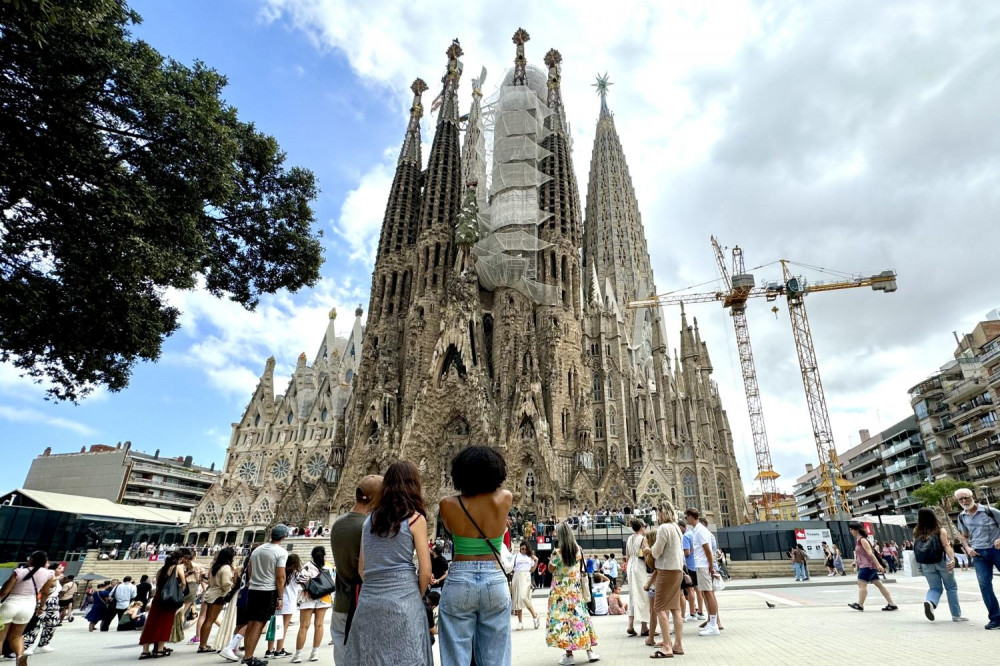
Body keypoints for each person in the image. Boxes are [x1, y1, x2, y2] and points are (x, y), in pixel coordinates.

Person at [343, 460, 433, 665]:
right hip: (403, 600)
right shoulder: (414, 519)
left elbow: (362, 569)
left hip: (369, 603)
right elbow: (426, 571)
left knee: (369, 657)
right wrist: (412, 594)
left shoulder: (369, 520)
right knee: (406, 656)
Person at [437, 446, 513, 666]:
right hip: (494, 579)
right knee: (495, 657)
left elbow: (450, 531)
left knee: (455, 656)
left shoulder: (448, 504)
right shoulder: (504, 499)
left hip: (460, 578)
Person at [329, 474, 383, 665]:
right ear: (377, 498)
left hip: (340, 604)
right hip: (360, 606)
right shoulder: (367, 528)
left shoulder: (338, 524)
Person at [546, 522, 599, 666]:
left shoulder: (557, 553)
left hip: (561, 593)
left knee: (564, 623)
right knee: (581, 620)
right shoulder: (578, 550)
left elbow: (550, 569)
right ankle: (590, 651)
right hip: (575, 591)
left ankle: (569, 655)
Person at [241, 525, 289, 666]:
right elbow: (280, 577)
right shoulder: (281, 552)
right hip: (268, 590)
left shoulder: (258, 549)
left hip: (254, 589)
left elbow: (249, 567)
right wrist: (280, 597)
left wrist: (251, 581)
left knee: (251, 622)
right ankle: (248, 658)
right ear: (284, 536)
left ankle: (247, 655)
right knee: (259, 623)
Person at [954, 487, 1000, 630]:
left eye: (966, 497)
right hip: (979, 554)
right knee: (984, 586)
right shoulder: (962, 517)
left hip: (997, 551)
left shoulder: (990, 511)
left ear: (972, 496)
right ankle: (996, 619)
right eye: (961, 499)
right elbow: (964, 536)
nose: (964, 500)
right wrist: (967, 548)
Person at [0, 551, 58, 665]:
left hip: (11, 604)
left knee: (1, 637)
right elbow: (45, 593)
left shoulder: (19, 572)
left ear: (31, 560)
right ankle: (20, 656)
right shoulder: (49, 574)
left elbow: (4, 592)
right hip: (28, 607)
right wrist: (41, 607)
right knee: (17, 636)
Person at [913, 507, 967, 622]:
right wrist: (952, 559)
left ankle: (930, 602)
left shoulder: (917, 531)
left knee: (934, 588)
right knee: (951, 588)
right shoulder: (940, 530)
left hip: (926, 563)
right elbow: (946, 546)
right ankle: (956, 615)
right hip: (942, 561)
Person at [139, 547, 191, 659]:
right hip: (169, 599)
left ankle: (145, 650)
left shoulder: (160, 570)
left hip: (159, 597)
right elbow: (183, 584)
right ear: (180, 559)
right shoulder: (177, 568)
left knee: (151, 623)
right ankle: (159, 649)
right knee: (164, 623)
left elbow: (159, 585)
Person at [649, 503, 685, 659]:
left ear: (663, 513)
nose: (657, 516)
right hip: (678, 570)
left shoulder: (664, 528)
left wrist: (647, 550)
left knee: (659, 608)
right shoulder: (676, 527)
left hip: (666, 571)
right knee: (675, 609)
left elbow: (657, 552)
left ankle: (667, 646)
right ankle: (678, 644)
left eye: (658, 513)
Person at [291, 545, 332, 663]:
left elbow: (300, 581)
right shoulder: (329, 567)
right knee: (319, 625)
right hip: (324, 597)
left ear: (312, 555)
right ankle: (315, 653)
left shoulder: (307, 566)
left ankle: (298, 654)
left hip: (307, 597)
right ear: (324, 555)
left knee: (304, 626)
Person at [847, 522, 897, 612]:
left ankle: (860, 605)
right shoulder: (859, 540)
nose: (850, 531)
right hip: (868, 566)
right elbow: (862, 555)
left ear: (856, 530)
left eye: (851, 529)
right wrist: (855, 562)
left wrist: (878, 565)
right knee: (879, 585)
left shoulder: (863, 540)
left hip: (867, 566)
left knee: (861, 584)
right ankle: (892, 604)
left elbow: (870, 553)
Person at [686, 509, 721, 636]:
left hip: (703, 566)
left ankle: (713, 625)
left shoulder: (700, 531)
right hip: (701, 566)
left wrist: (711, 567)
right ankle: (712, 623)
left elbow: (708, 550)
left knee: (708, 593)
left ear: (691, 517)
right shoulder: (698, 530)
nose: (686, 520)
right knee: (707, 594)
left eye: (686, 517)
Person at [197, 546, 236, 652]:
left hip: (211, 593)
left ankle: (202, 643)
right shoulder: (226, 568)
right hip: (218, 595)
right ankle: (203, 645)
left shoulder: (216, 566)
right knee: (210, 620)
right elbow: (225, 584)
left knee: (207, 619)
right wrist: (233, 584)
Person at [22, 562, 64, 655]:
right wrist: (55, 578)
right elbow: (47, 588)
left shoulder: (56, 579)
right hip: (45, 601)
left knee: (52, 624)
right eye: (59, 568)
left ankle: (44, 644)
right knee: (36, 624)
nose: (62, 570)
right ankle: (26, 645)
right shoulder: (48, 577)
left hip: (54, 602)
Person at [267, 552, 301, 659]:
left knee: (273, 625)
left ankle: (269, 650)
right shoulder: (296, 574)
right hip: (289, 602)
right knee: (284, 626)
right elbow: (303, 585)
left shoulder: (280, 571)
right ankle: (279, 650)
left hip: (278, 600)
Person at [624, 519, 651, 637]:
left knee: (632, 594)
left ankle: (630, 625)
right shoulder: (643, 539)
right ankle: (644, 627)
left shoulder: (629, 538)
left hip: (631, 565)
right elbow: (646, 555)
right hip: (639, 567)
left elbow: (627, 555)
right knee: (642, 594)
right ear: (641, 527)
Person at [511, 541, 540, 631]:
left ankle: (534, 615)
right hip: (516, 576)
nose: (523, 550)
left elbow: (532, 570)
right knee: (517, 599)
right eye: (522, 548)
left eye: (525, 549)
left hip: (526, 576)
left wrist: (536, 561)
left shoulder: (530, 557)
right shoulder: (516, 556)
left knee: (523, 597)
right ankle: (520, 622)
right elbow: (511, 566)